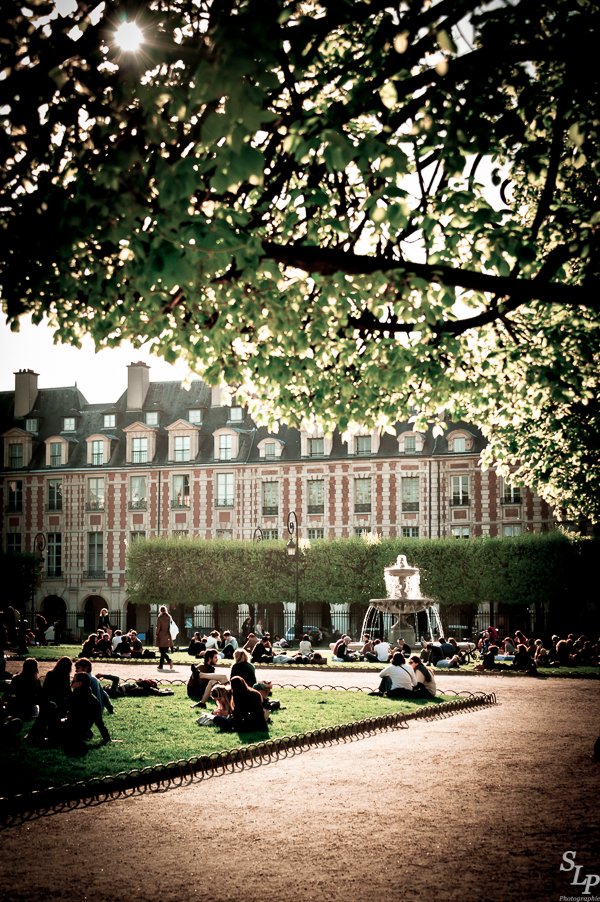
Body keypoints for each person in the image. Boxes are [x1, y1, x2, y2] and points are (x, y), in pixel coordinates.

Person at [50, 671, 113, 748]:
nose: (71, 683)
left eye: (73, 681)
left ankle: (38, 735)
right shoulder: (94, 700)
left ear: (80, 684)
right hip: (82, 732)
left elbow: (59, 712)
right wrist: (107, 738)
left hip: (69, 730)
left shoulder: (74, 696)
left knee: (50, 711)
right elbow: (99, 723)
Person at [155, 605, 174, 670]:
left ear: (160, 610)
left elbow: (158, 627)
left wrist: (156, 634)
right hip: (167, 634)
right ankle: (160, 665)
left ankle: (169, 660)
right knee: (163, 650)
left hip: (161, 634)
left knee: (161, 650)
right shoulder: (169, 617)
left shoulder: (160, 617)